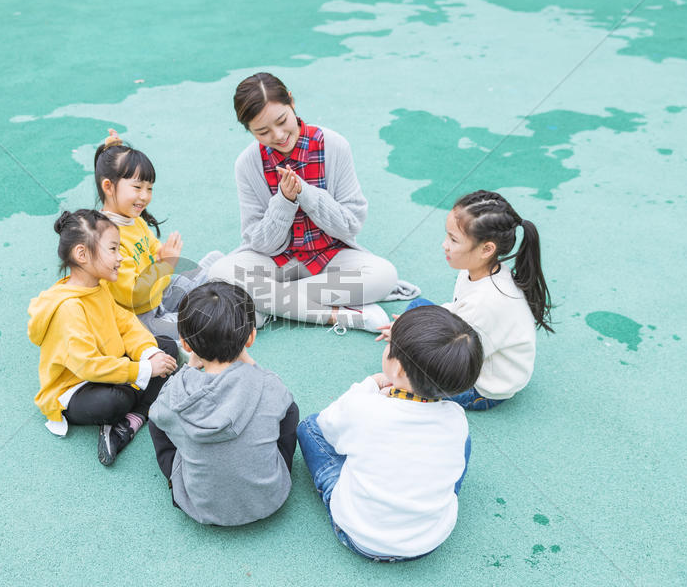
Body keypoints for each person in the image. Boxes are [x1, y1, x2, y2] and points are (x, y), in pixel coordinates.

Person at [207, 72, 419, 334]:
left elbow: (350, 225)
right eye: (262, 132)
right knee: (220, 272)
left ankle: (264, 304)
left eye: (282, 121)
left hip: (330, 256)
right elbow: (259, 243)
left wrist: (304, 195)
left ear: (292, 103)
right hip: (275, 261)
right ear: (249, 130)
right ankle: (342, 315)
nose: (278, 135)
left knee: (384, 275)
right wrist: (284, 202)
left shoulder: (334, 145)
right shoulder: (247, 164)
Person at [297, 305, 483, 561]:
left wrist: (369, 385)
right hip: (428, 540)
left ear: (400, 370)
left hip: (359, 536)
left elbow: (327, 424)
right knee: (462, 441)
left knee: (308, 427)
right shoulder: (456, 417)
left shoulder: (365, 407)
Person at [28, 209, 179, 466]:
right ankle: (132, 410)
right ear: (82, 254)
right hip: (77, 388)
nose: (120, 257)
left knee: (166, 349)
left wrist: (149, 354)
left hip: (112, 366)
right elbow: (89, 366)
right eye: (113, 249)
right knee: (111, 403)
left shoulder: (98, 287)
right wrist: (142, 370)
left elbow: (127, 325)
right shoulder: (69, 309)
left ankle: (129, 423)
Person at [378, 190, 553, 410]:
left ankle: (399, 389)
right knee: (417, 307)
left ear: (486, 249)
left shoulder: (487, 304)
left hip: (481, 387)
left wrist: (405, 339)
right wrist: (406, 326)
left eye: (453, 239)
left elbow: (456, 356)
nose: (445, 244)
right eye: (447, 235)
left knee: (404, 382)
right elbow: (455, 312)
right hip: (470, 337)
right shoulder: (477, 271)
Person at [148, 281, 299, 526]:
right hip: (270, 499)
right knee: (289, 411)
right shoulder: (269, 384)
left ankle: (177, 478)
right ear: (251, 336)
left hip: (200, 507)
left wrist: (188, 366)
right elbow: (286, 405)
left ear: (185, 344)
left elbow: (157, 414)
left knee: (158, 422)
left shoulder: (177, 393)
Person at [94, 129, 221, 342]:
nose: (144, 197)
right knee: (195, 325)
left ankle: (208, 299)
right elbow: (134, 294)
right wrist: (166, 265)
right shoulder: (105, 238)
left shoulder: (133, 220)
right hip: (137, 317)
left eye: (149, 188)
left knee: (205, 282)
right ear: (108, 186)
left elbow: (154, 251)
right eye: (137, 187)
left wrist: (163, 257)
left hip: (157, 294)